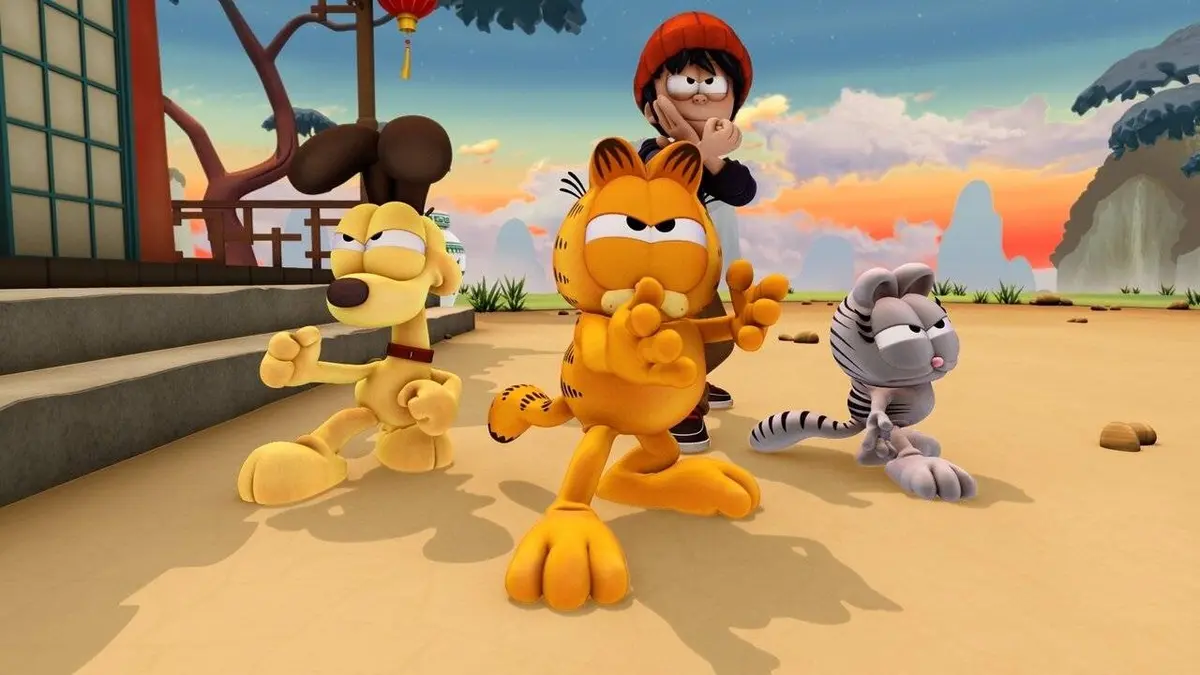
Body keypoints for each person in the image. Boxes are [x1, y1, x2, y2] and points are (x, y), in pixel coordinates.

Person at [632, 11, 757, 453]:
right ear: (654, 101)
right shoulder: (650, 152)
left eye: (712, 83)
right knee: (675, 338)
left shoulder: (722, 165)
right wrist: (696, 145)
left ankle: (693, 380)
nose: (700, 93)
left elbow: (741, 190)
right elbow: (666, 182)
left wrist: (710, 154)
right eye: (685, 83)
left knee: (719, 337)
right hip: (657, 276)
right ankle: (679, 403)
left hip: (702, 274)